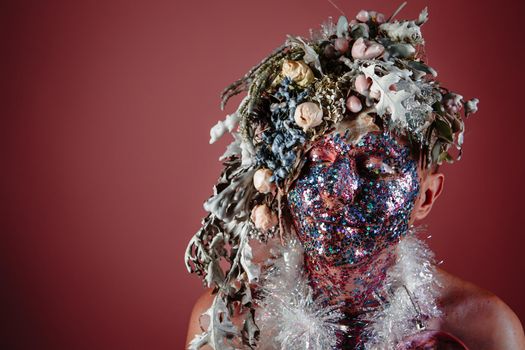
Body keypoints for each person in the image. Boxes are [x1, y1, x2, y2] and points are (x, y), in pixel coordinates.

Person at [184, 5, 525, 349]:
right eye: (316, 163)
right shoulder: (225, 326)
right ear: (281, 184)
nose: (340, 189)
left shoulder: (482, 330)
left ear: (425, 197)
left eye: (376, 169)